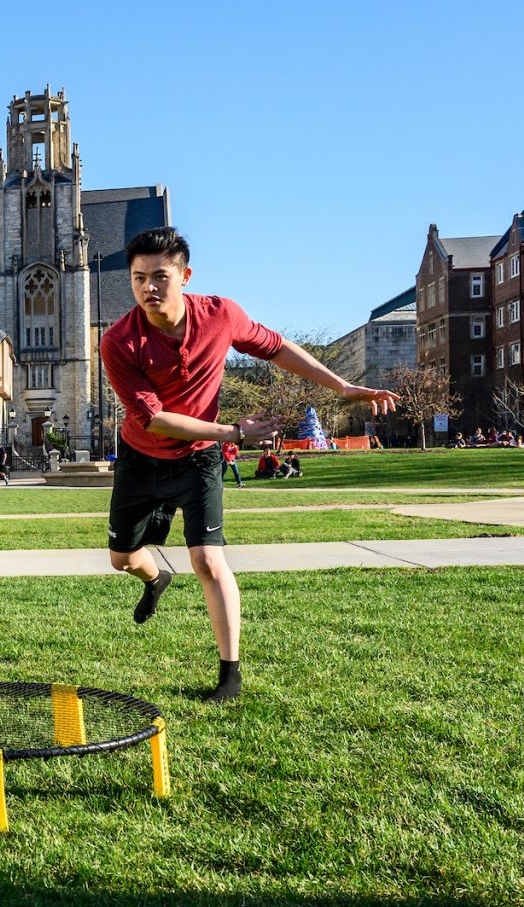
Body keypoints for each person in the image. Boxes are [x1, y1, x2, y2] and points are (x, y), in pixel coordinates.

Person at [100, 227, 394, 702]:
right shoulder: (119, 342)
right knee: (123, 559)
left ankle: (229, 675)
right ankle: (156, 578)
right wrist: (234, 433)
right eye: (138, 278)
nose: (148, 288)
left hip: (199, 459)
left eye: (159, 276)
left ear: (185, 276)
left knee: (208, 560)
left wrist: (342, 386)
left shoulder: (220, 315)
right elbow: (154, 419)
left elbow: (277, 347)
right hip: (142, 458)